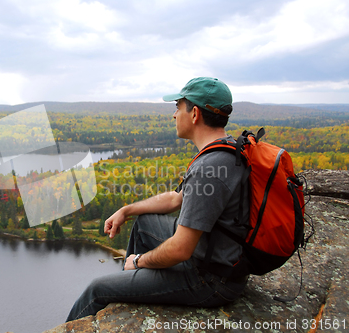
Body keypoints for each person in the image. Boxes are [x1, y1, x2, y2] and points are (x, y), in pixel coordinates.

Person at [66, 77, 250, 322]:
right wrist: (126, 210)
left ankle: (125, 288)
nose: (174, 115)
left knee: (96, 290)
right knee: (143, 224)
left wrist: (139, 261)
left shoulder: (210, 167)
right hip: (216, 255)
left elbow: (181, 249)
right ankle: (131, 287)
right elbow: (175, 199)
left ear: (194, 114)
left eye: (177, 107)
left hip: (211, 279)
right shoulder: (227, 149)